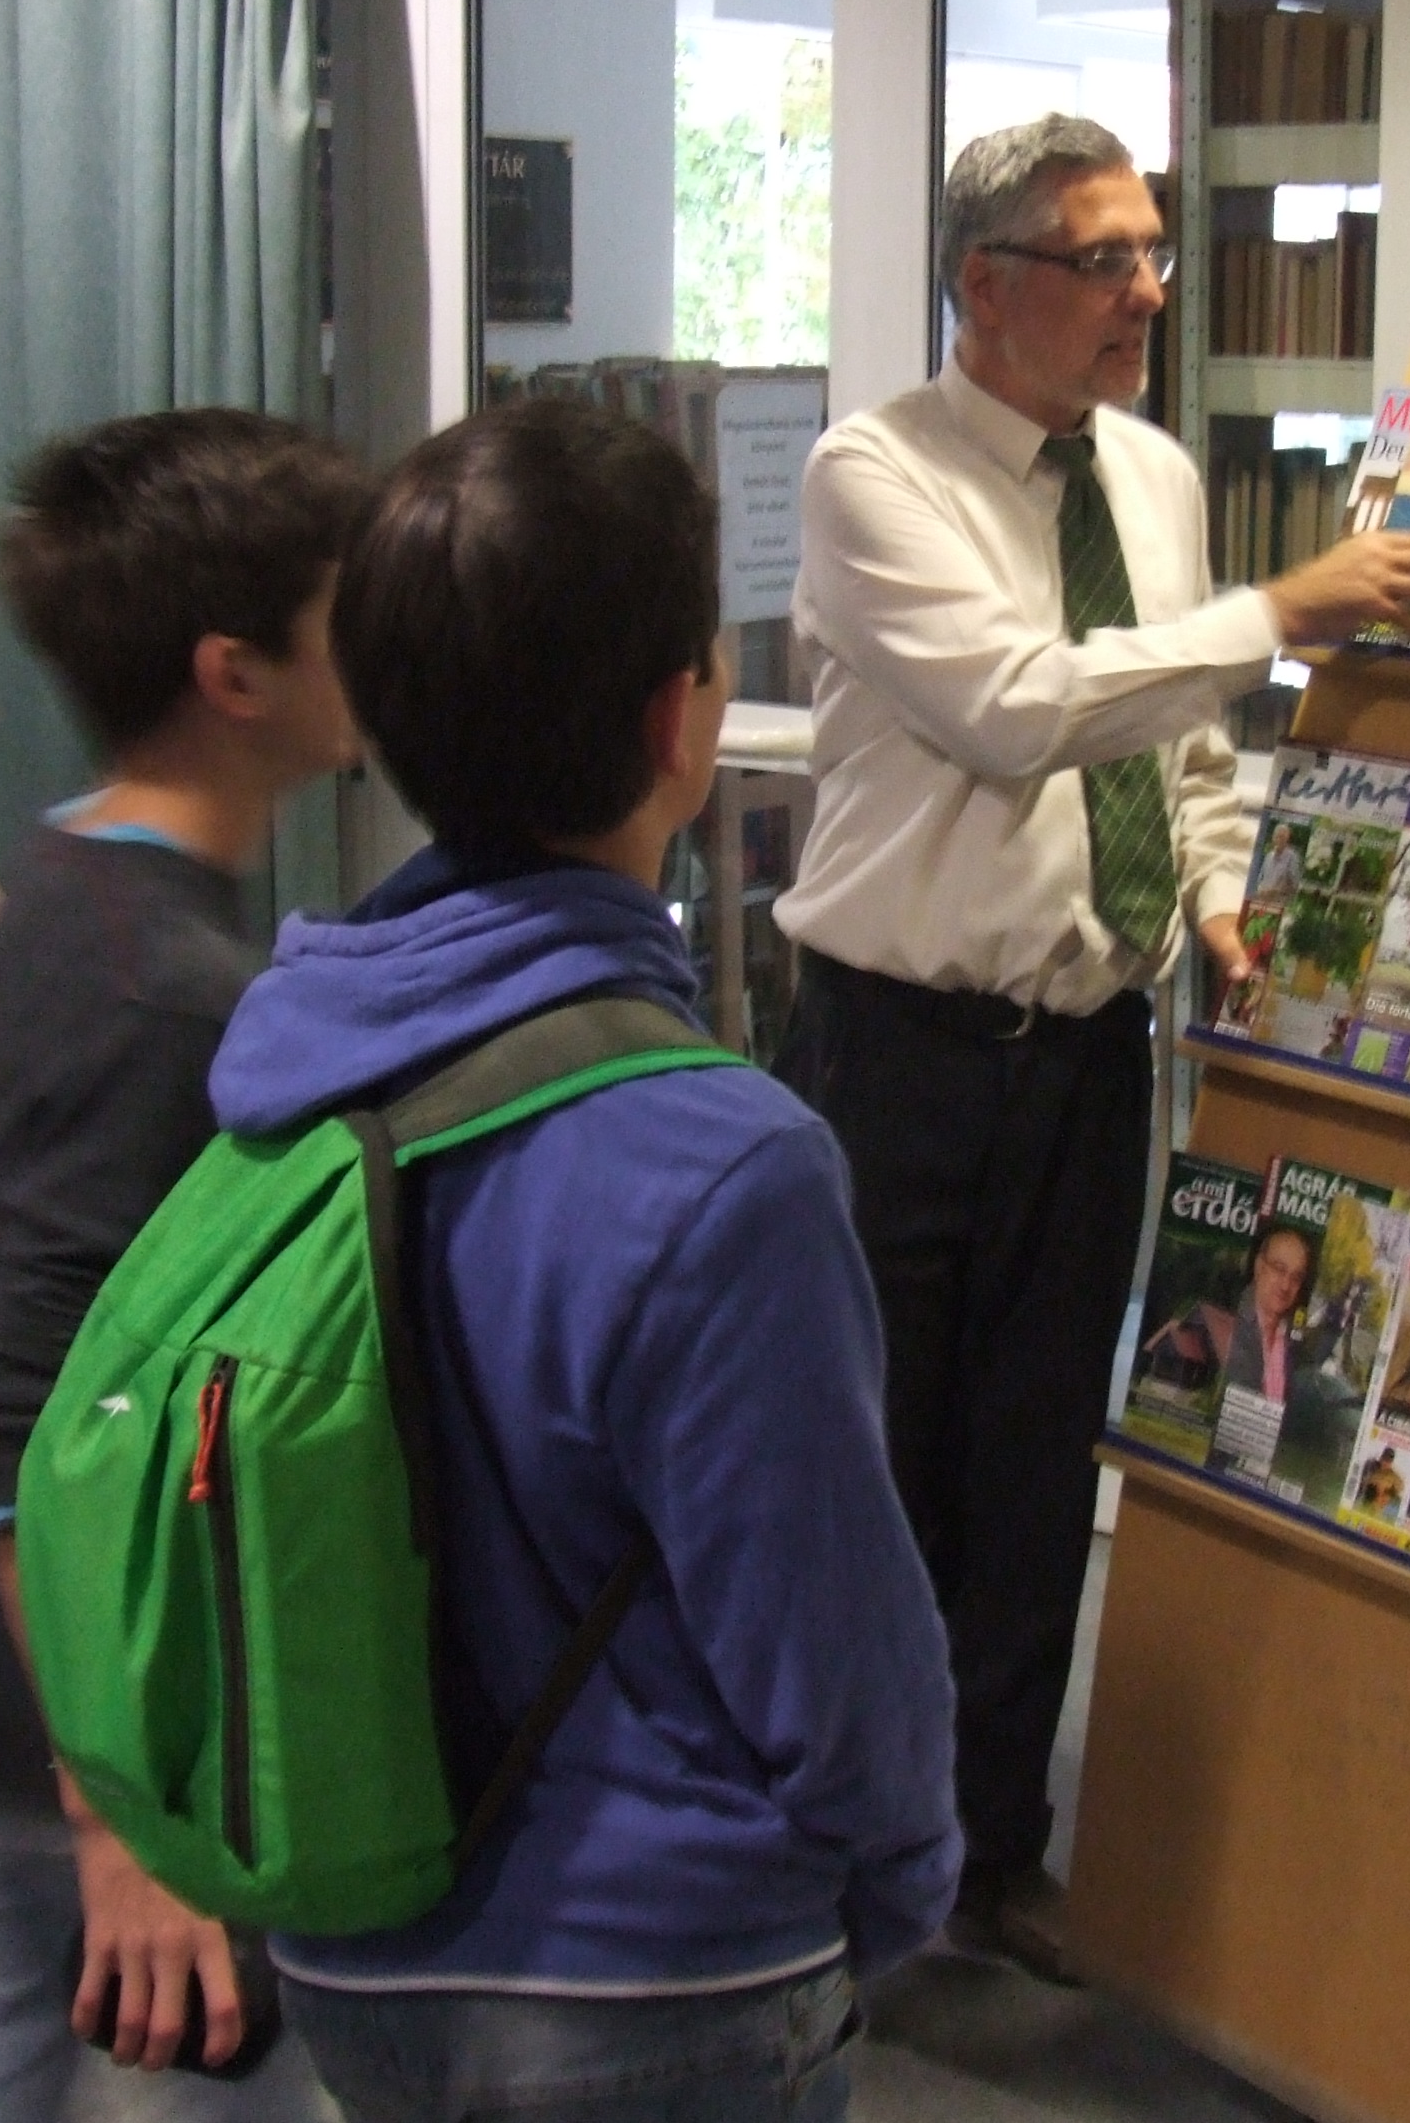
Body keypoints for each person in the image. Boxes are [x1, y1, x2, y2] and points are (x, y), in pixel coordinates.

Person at [771, 114, 1410, 1979]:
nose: (1148, 293)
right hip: (899, 1055)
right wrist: (1279, 614)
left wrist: (1224, 897)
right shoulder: (874, 475)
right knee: (878, 1476)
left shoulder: (1151, 477)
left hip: (1091, 1052)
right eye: (1105, 260)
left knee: (1032, 1477)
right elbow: (1019, 709)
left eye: (1153, 254)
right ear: (983, 282)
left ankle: (989, 1858)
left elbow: (1180, 749)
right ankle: (845, 1868)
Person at [208, 397, 955, 2123]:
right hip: (656, 1978)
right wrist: (899, 1887)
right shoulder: (724, 1162)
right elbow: (831, 1653)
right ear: (678, 719)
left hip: (353, 1947)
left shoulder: (286, 1069)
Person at [0, 410, 365, 2119]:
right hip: (87, 1713)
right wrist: (114, 1812)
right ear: (235, 675)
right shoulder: (160, 990)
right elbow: (19, 1404)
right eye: (347, 610)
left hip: (13, 1685)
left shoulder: (71, 883)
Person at [1136, 1221, 1314, 1403]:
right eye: (1279, 1269)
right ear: (1259, 1266)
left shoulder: (1293, 1341)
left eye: (1296, 1277)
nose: (1286, 1285)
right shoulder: (1235, 1317)